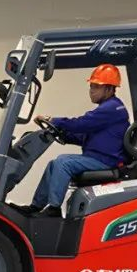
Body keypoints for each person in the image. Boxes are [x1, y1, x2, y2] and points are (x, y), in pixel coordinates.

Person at [29, 63, 130, 216]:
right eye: (91, 86)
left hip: (106, 160)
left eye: (96, 87)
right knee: (53, 164)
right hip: (96, 157)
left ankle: (54, 209)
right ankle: (36, 206)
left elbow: (81, 124)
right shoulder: (107, 109)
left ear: (109, 89)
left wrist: (54, 120)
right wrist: (63, 134)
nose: (91, 91)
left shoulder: (112, 108)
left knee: (63, 163)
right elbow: (84, 136)